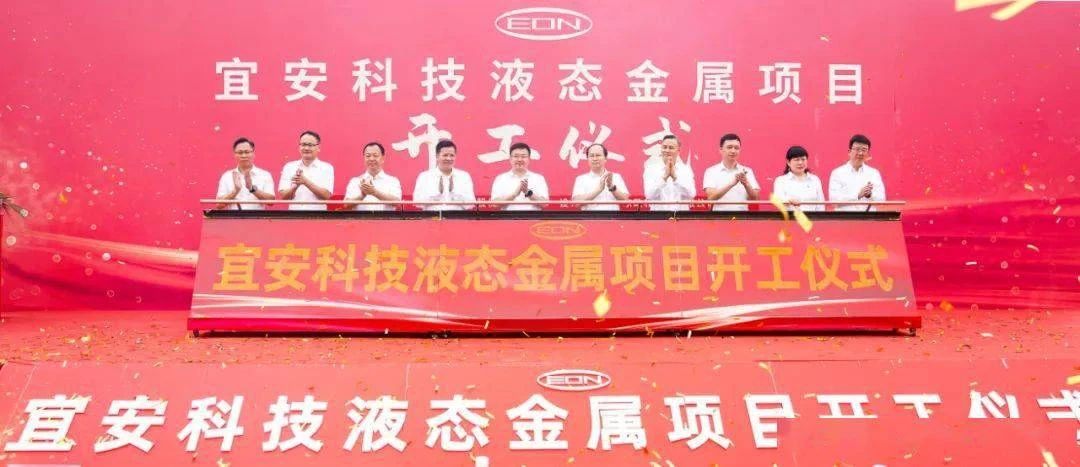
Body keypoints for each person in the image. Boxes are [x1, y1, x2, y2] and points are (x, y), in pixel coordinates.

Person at [412, 139, 476, 210]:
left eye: (452, 155)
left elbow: (471, 204)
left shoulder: (464, 176)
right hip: (432, 216)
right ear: (437, 156)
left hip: (457, 216)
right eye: (445, 155)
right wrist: (436, 195)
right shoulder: (425, 176)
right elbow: (417, 202)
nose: (448, 158)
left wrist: (454, 194)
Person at [278, 130, 334, 211]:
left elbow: (326, 196)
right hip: (294, 215)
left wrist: (305, 182)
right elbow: (283, 197)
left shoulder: (327, 168)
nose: (306, 148)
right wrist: (295, 186)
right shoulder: (289, 167)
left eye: (310, 145)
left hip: (317, 216)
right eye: (303, 144)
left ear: (318, 148)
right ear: (299, 147)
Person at [702, 133, 760, 211]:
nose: (733, 151)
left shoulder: (747, 171)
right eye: (729, 147)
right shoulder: (711, 171)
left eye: (736, 148)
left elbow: (755, 199)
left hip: (742, 216)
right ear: (721, 150)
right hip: (719, 216)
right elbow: (711, 198)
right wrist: (732, 183)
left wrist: (746, 184)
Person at [828, 134, 886, 211]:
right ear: (849, 151)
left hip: (868, 217)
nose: (861, 153)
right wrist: (857, 195)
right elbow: (834, 200)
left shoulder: (874, 173)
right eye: (857, 149)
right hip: (845, 217)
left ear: (868, 153)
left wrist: (870, 195)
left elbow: (882, 199)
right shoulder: (837, 173)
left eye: (864, 150)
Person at [214, 137, 275, 210]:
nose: (244, 155)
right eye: (240, 152)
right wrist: (235, 191)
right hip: (233, 217)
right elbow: (218, 205)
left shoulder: (265, 175)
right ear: (235, 155)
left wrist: (252, 189)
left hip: (257, 216)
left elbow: (271, 202)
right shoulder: (227, 176)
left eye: (247, 152)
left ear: (253, 153)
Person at [343, 142, 402, 211]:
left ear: (383, 158)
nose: (371, 159)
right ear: (364, 158)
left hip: (385, 218)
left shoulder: (393, 181)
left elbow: (397, 203)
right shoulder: (355, 181)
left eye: (375, 155)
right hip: (360, 218)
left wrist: (375, 192)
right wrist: (362, 195)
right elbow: (346, 205)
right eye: (368, 156)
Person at [490, 142, 549, 211]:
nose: (519, 160)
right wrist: (514, 195)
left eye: (523, 156)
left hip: (532, 217)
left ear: (529, 159)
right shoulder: (501, 178)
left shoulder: (538, 178)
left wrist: (528, 193)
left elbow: (545, 204)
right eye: (516, 156)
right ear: (510, 159)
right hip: (508, 217)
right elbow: (494, 204)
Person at [643, 135, 695, 211]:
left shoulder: (685, 169)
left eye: (671, 148)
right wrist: (664, 178)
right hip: (658, 216)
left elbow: (691, 194)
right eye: (664, 147)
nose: (667, 150)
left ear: (678, 151)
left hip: (681, 215)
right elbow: (649, 195)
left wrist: (675, 178)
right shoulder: (651, 169)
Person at [571, 143, 630, 211]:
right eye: (591, 156)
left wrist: (611, 187)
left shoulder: (616, 177)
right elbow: (577, 203)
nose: (595, 159)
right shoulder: (581, 179)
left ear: (605, 158)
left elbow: (625, 200)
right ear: (587, 159)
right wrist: (598, 189)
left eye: (598, 155)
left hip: (612, 217)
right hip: (590, 217)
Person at [772, 145, 825, 212]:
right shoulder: (781, 181)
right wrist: (788, 201)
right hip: (791, 217)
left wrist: (820, 217)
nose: (800, 163)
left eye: (803, 159)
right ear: (788, 162)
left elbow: (820, 204)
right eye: (796, 160)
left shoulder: (815, 179)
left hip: (813, 217)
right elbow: (779, 200)